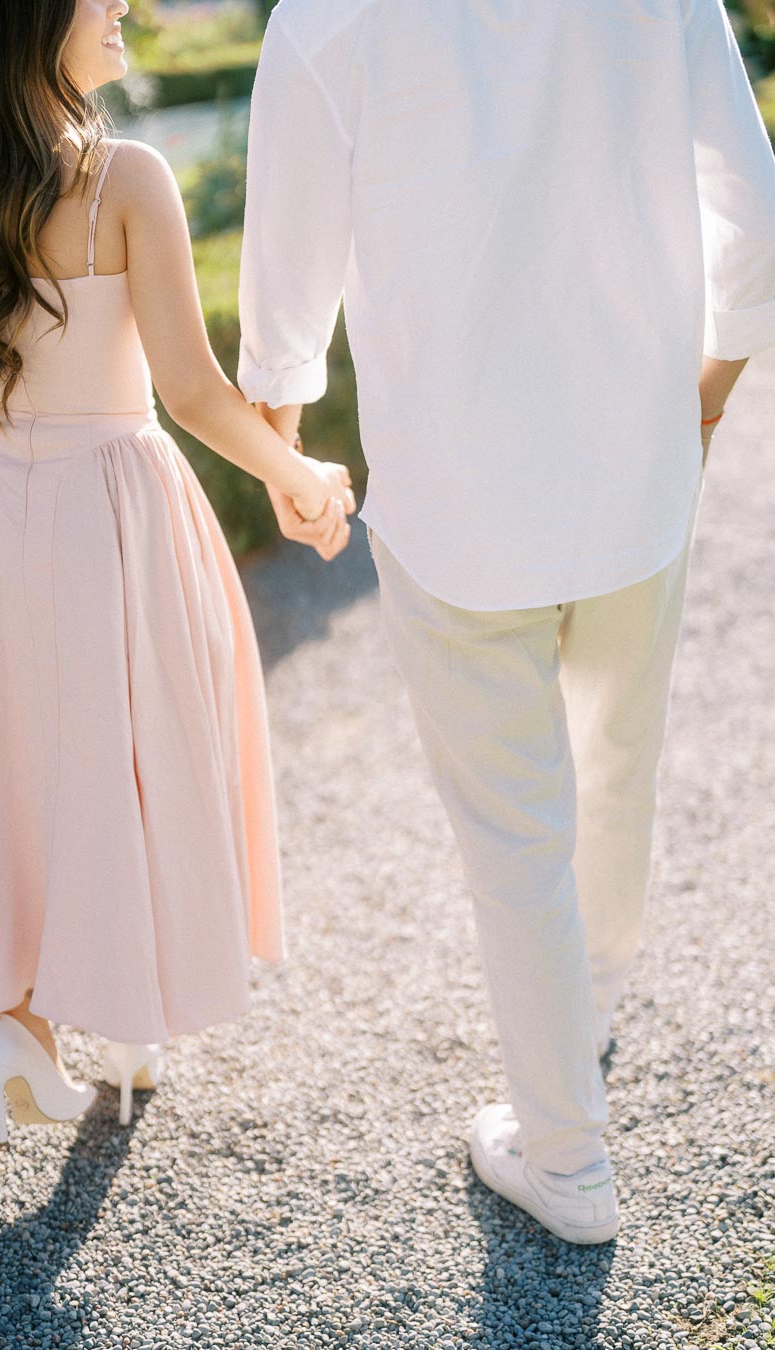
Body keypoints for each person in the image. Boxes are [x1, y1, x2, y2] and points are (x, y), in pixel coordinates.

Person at [237, 0, 775, 1243]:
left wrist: (283, 450)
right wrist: (703, 402)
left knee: (514, 838)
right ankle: (587, 1019)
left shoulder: (327, 19)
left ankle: (570, 1158)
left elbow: (285, 280)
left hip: (457, 498)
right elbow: (755, 215)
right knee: (617, 774)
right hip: (636, 474)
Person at [0, 0, 355, 1144]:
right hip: (109, 504)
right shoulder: (125, 179)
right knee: (128, 756)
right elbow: (191, 392)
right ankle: (99, 1010)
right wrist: (300, 472)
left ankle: (36, 1017)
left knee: (11, 759)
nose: (124, 5)